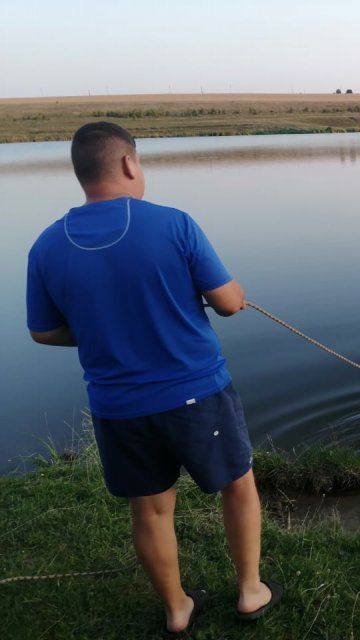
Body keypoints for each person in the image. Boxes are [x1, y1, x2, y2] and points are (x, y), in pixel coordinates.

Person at [25, 122, 282, 636]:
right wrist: (229, 293)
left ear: (80, 173)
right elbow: (230, 303)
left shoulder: (46, 245)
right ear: (127, 164)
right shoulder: (174, 225)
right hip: (196, 394)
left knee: (150, 509)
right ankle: (251, 591)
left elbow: (43, 332)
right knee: (238, 486)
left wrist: (104, 332)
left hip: (118, 407)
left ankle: (177, 609)